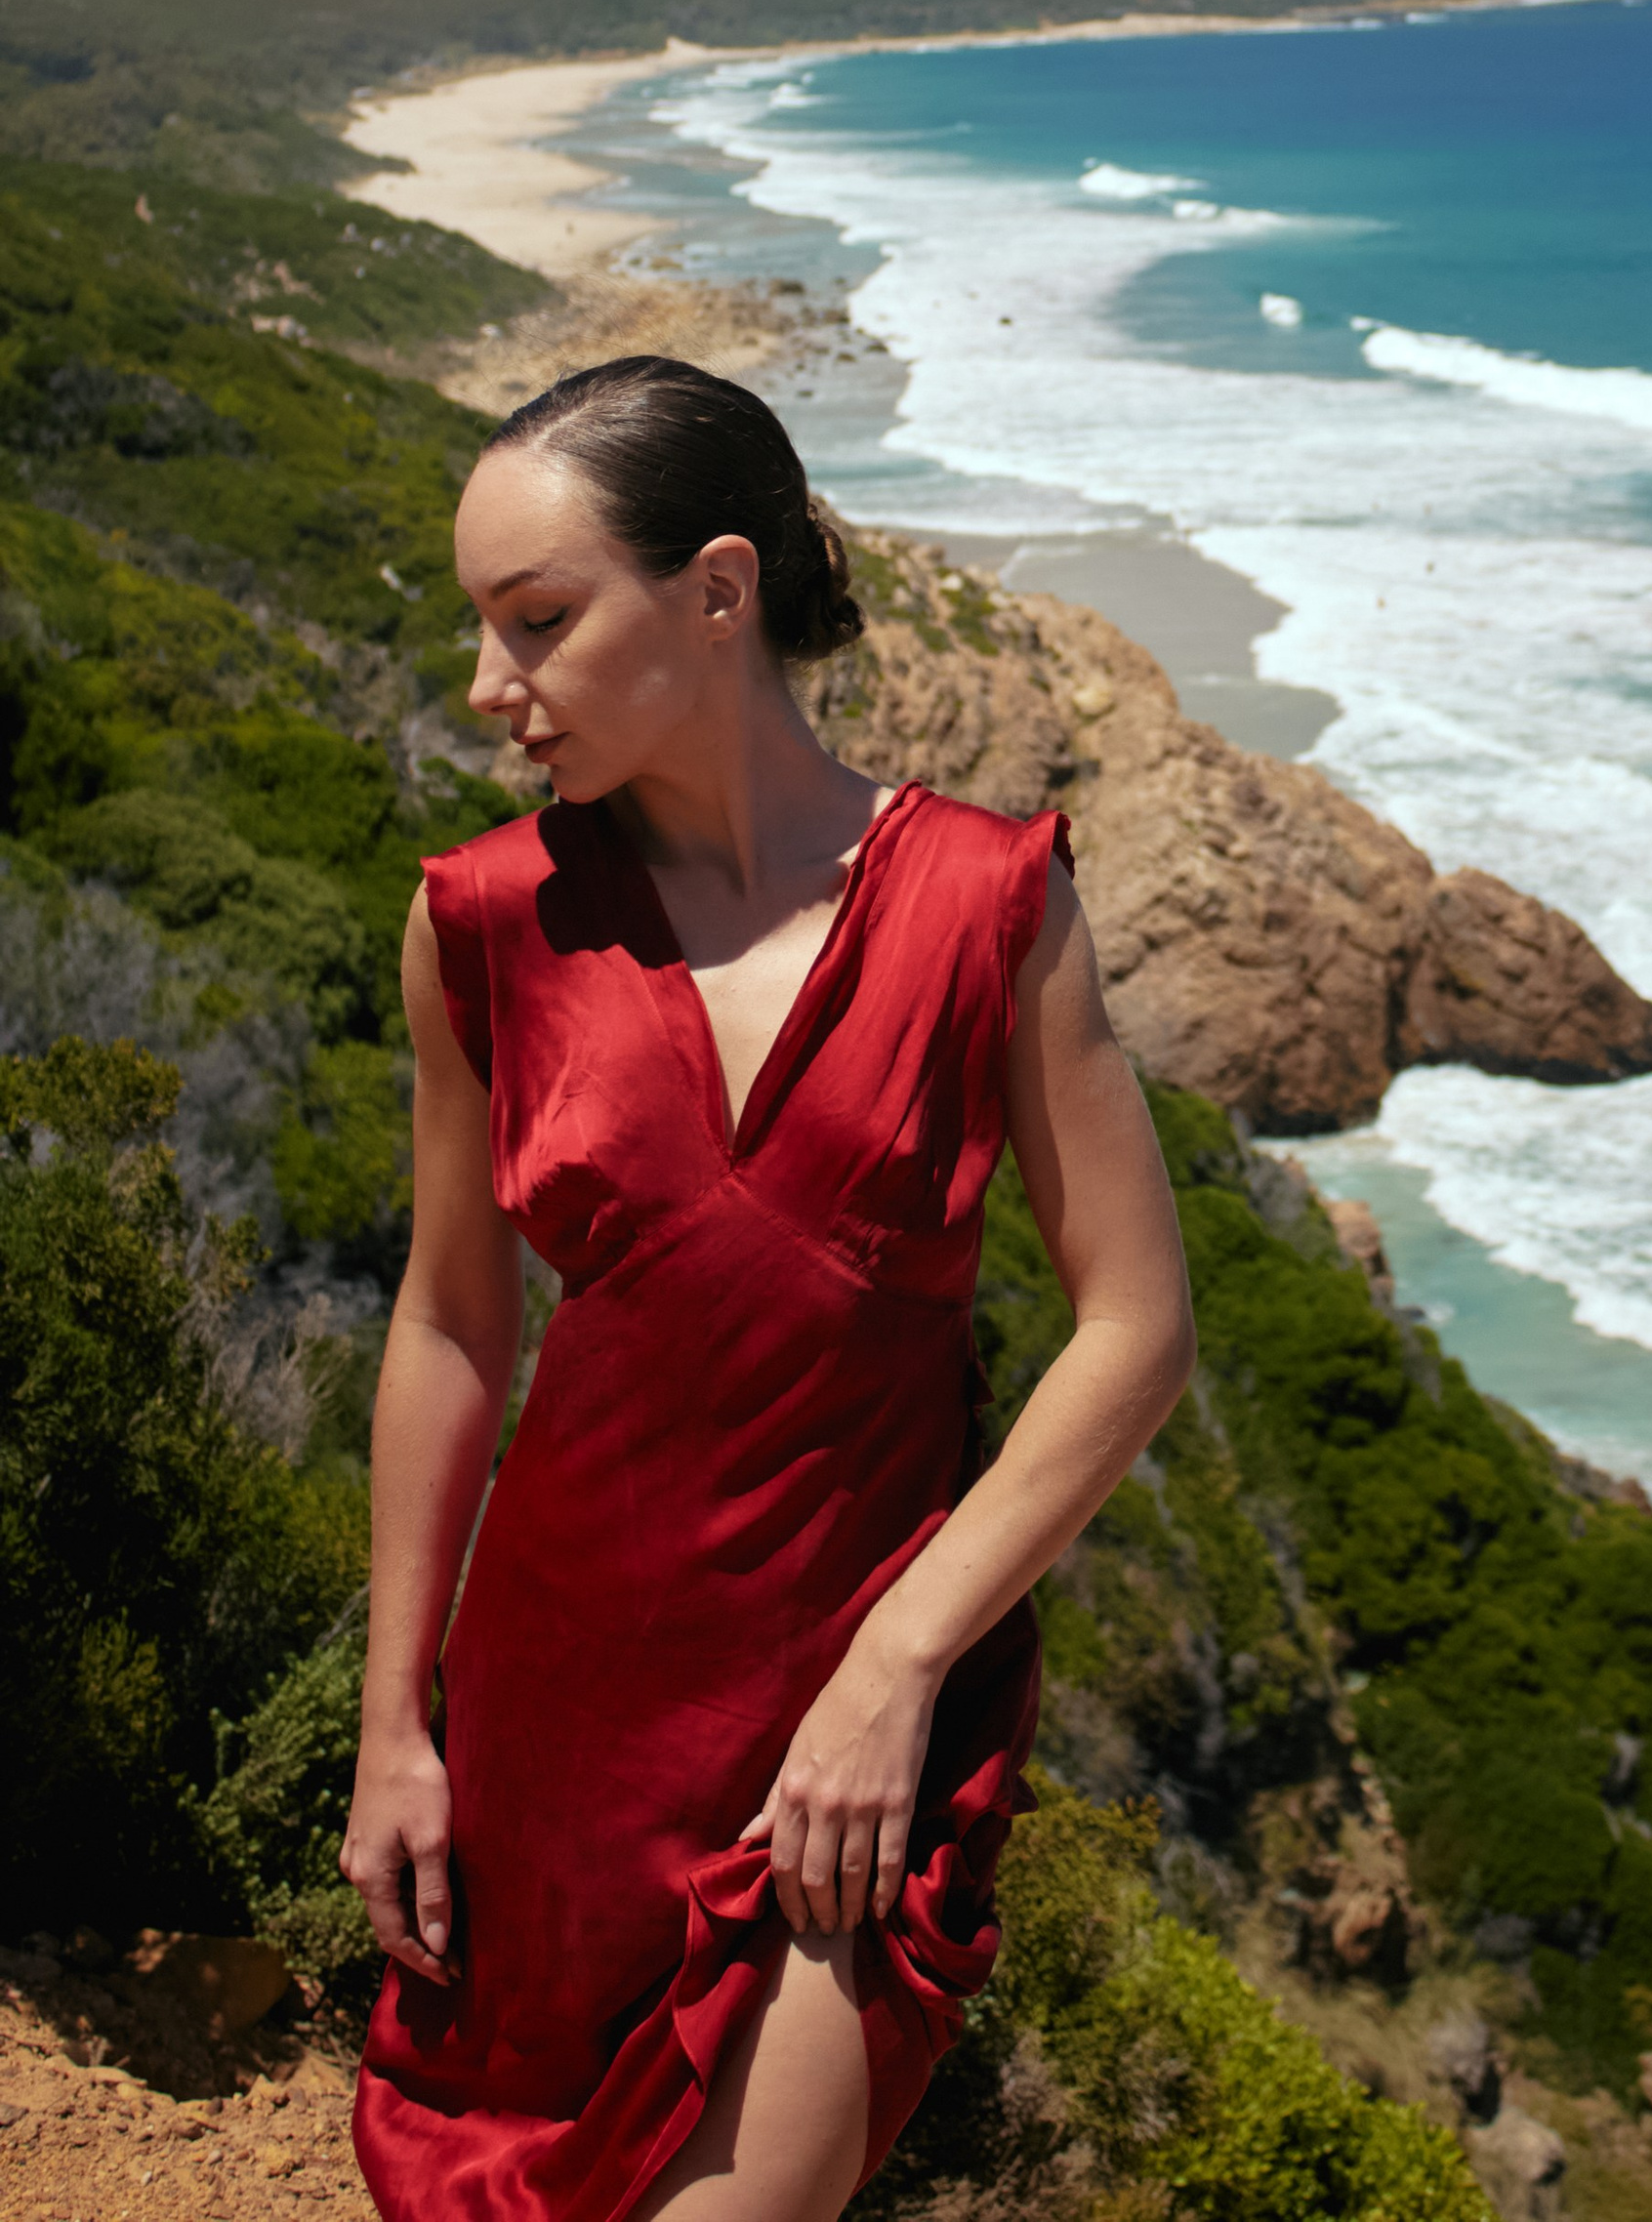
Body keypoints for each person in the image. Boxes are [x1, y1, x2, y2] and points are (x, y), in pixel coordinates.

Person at [342, 356, 1196, 2222]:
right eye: (482, 628)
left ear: (720, 590)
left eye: (540, 622)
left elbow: (1137, 1327)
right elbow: (450, 1325)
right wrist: (392, 1722)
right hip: (548, 1732)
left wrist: (903, 1663)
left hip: (854, 1737)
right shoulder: (481, 920)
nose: (493, 688)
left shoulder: (986, 903)